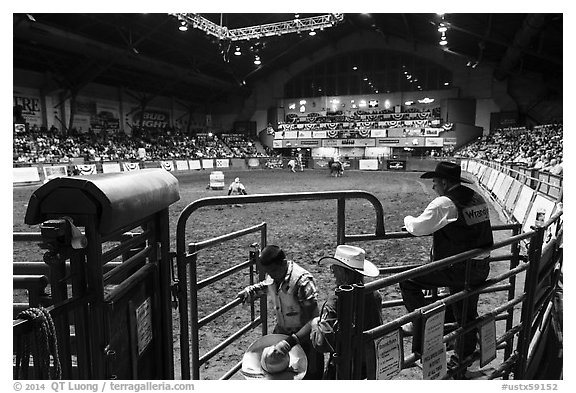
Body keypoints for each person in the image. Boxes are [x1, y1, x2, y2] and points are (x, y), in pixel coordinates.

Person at [399, 161, 494, 376]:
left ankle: (421, 324)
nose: (433, 187)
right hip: (480, 265)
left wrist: (407, 220)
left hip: (460, 268)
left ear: (443, 182)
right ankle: (463, 357)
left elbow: (419, 227)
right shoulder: (476, 197)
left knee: (408, 281)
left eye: (434, 183)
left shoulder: (445, 203)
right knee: (465, 313)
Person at [237, 245, 324, 379]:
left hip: (305, 340)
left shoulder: (302, 282)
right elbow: (266, 285)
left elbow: (314, 321)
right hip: (283, 335)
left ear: (283, 263)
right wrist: (250, 291)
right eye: (268, 272)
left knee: (309, 377)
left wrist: (290, 342)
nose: (271, 275)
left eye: (273, 271)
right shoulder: (275, 275)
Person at [310, 245, 382, 379]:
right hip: (369, 364)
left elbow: (322, 343)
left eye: (334, 268)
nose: (332, 272)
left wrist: (315, 326)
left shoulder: (335, 302)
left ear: (344, 273)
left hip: (343, 368)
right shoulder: (374, 294)